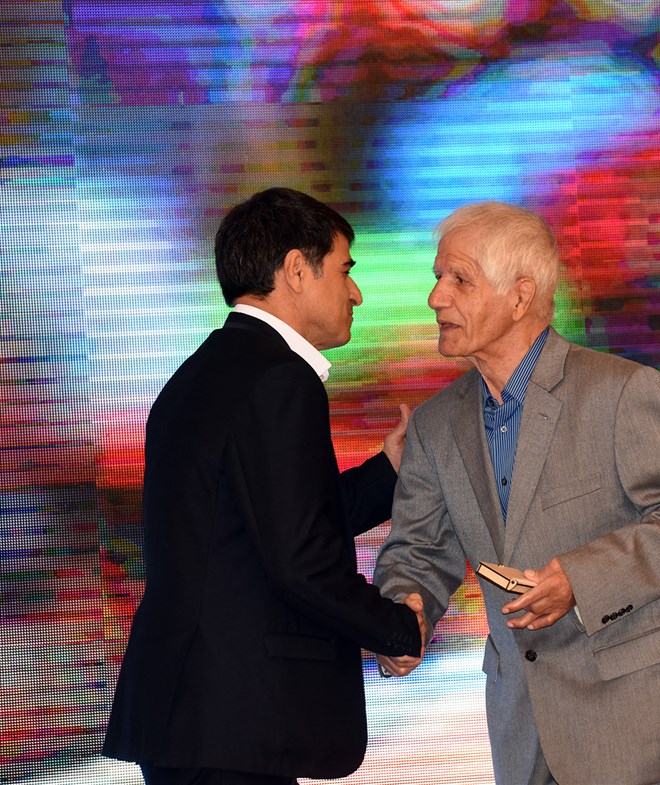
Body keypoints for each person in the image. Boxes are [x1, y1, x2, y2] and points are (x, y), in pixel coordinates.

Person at [373, 201, 660, 785]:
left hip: (629, 718)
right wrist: (403, 613)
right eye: (438, 278)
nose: (436, 298)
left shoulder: (623, 390)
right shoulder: (435, 424)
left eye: (460, 279)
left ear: (521, 296)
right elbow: (418, 551)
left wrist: (581, 580)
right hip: (519, 722)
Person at [102, 187, 426, 785]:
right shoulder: (280, 378)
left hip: (198, 719)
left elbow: (272, 523)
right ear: (297, 271)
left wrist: (390, 471)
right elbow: (299, 558)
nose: (356, 292)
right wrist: (397, 627)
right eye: (345, 269)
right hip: (230, 720)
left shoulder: (210, 369)